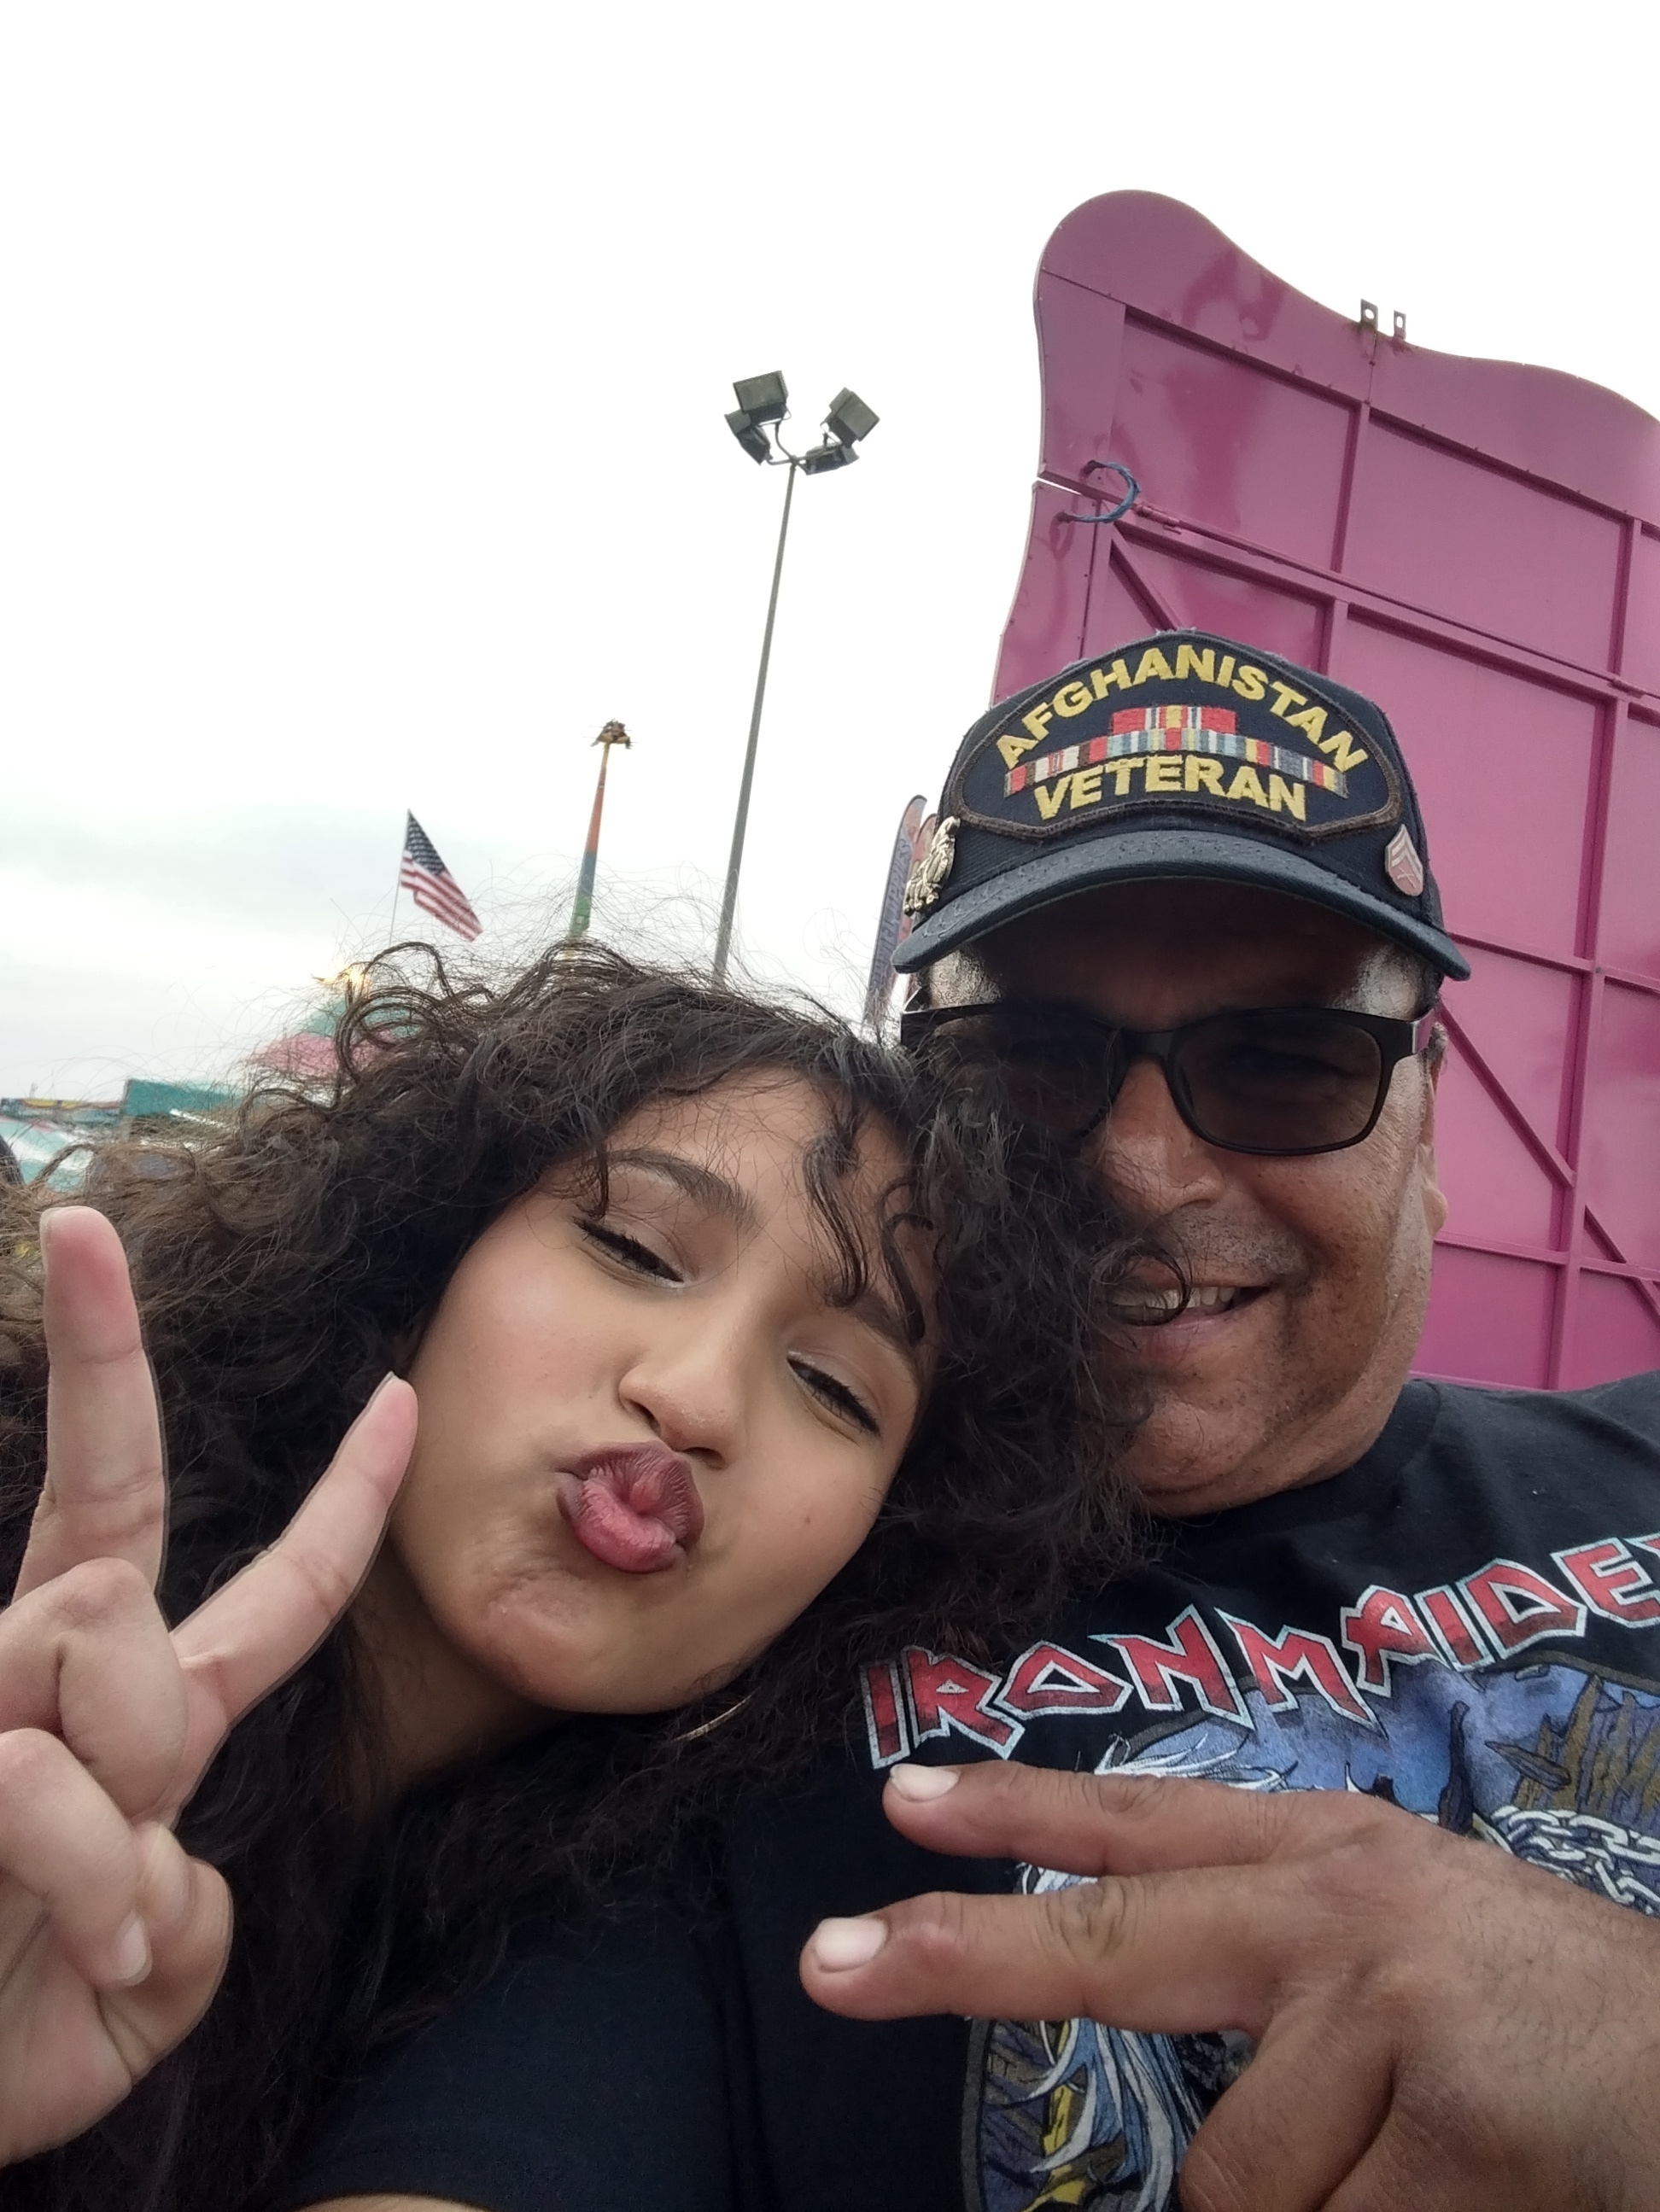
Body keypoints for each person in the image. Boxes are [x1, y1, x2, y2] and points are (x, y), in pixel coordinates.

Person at [278, 633, 1660, 2212]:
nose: (1144, 1169)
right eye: (1033, 1066)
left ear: (1428, 1121)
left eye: (1286, 1063)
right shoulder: (747, 1620)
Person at [0, 945, 1145, 2210]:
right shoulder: (36, 1643)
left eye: (833, 1387)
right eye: (635, 1248)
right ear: (418, 1263)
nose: (696, 1397)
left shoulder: (640, 1948)